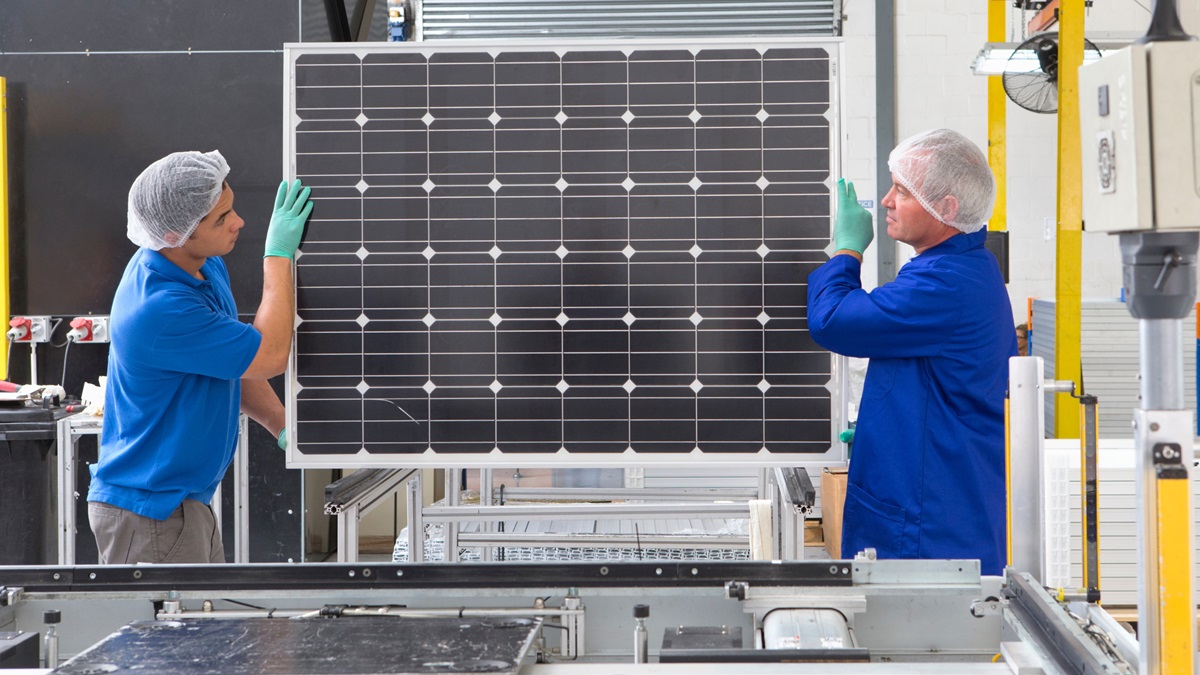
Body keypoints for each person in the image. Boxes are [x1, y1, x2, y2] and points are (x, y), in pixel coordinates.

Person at [806, 129, 1016, 575]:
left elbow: (834, 320)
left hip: (928, 531)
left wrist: (846, 251)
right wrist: (884, 424)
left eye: (901, 191)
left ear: (946, 208)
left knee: (914, 640)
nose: (885, 201)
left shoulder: (945, 283)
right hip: (932, 502)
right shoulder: (959, 268)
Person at [87, 150, 312, 564]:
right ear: (177, 233)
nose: (239, 222)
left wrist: (282, 425)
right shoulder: (160, 308)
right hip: (150, 515)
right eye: (221, 218)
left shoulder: (201, 266)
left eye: (231, 207)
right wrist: (278, 256)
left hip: (180, 505)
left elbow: (231, 362)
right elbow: (270, 354)